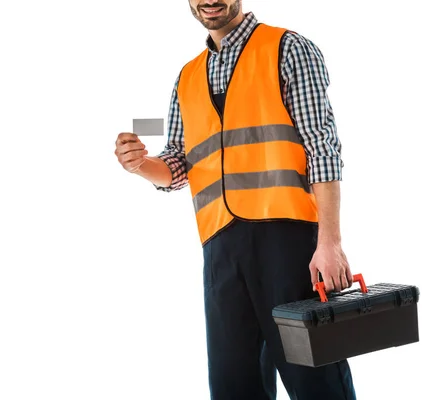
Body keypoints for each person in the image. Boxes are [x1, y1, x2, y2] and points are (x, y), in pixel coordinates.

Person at [114, 1, 357, 399]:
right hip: (220, 249)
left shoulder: (288, 48)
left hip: (289, 242)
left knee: (316, 380)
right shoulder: (187, 76)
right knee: (232, 386)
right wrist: (141, 164)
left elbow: (323, 149)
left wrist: (329, 243)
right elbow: (178, 162)